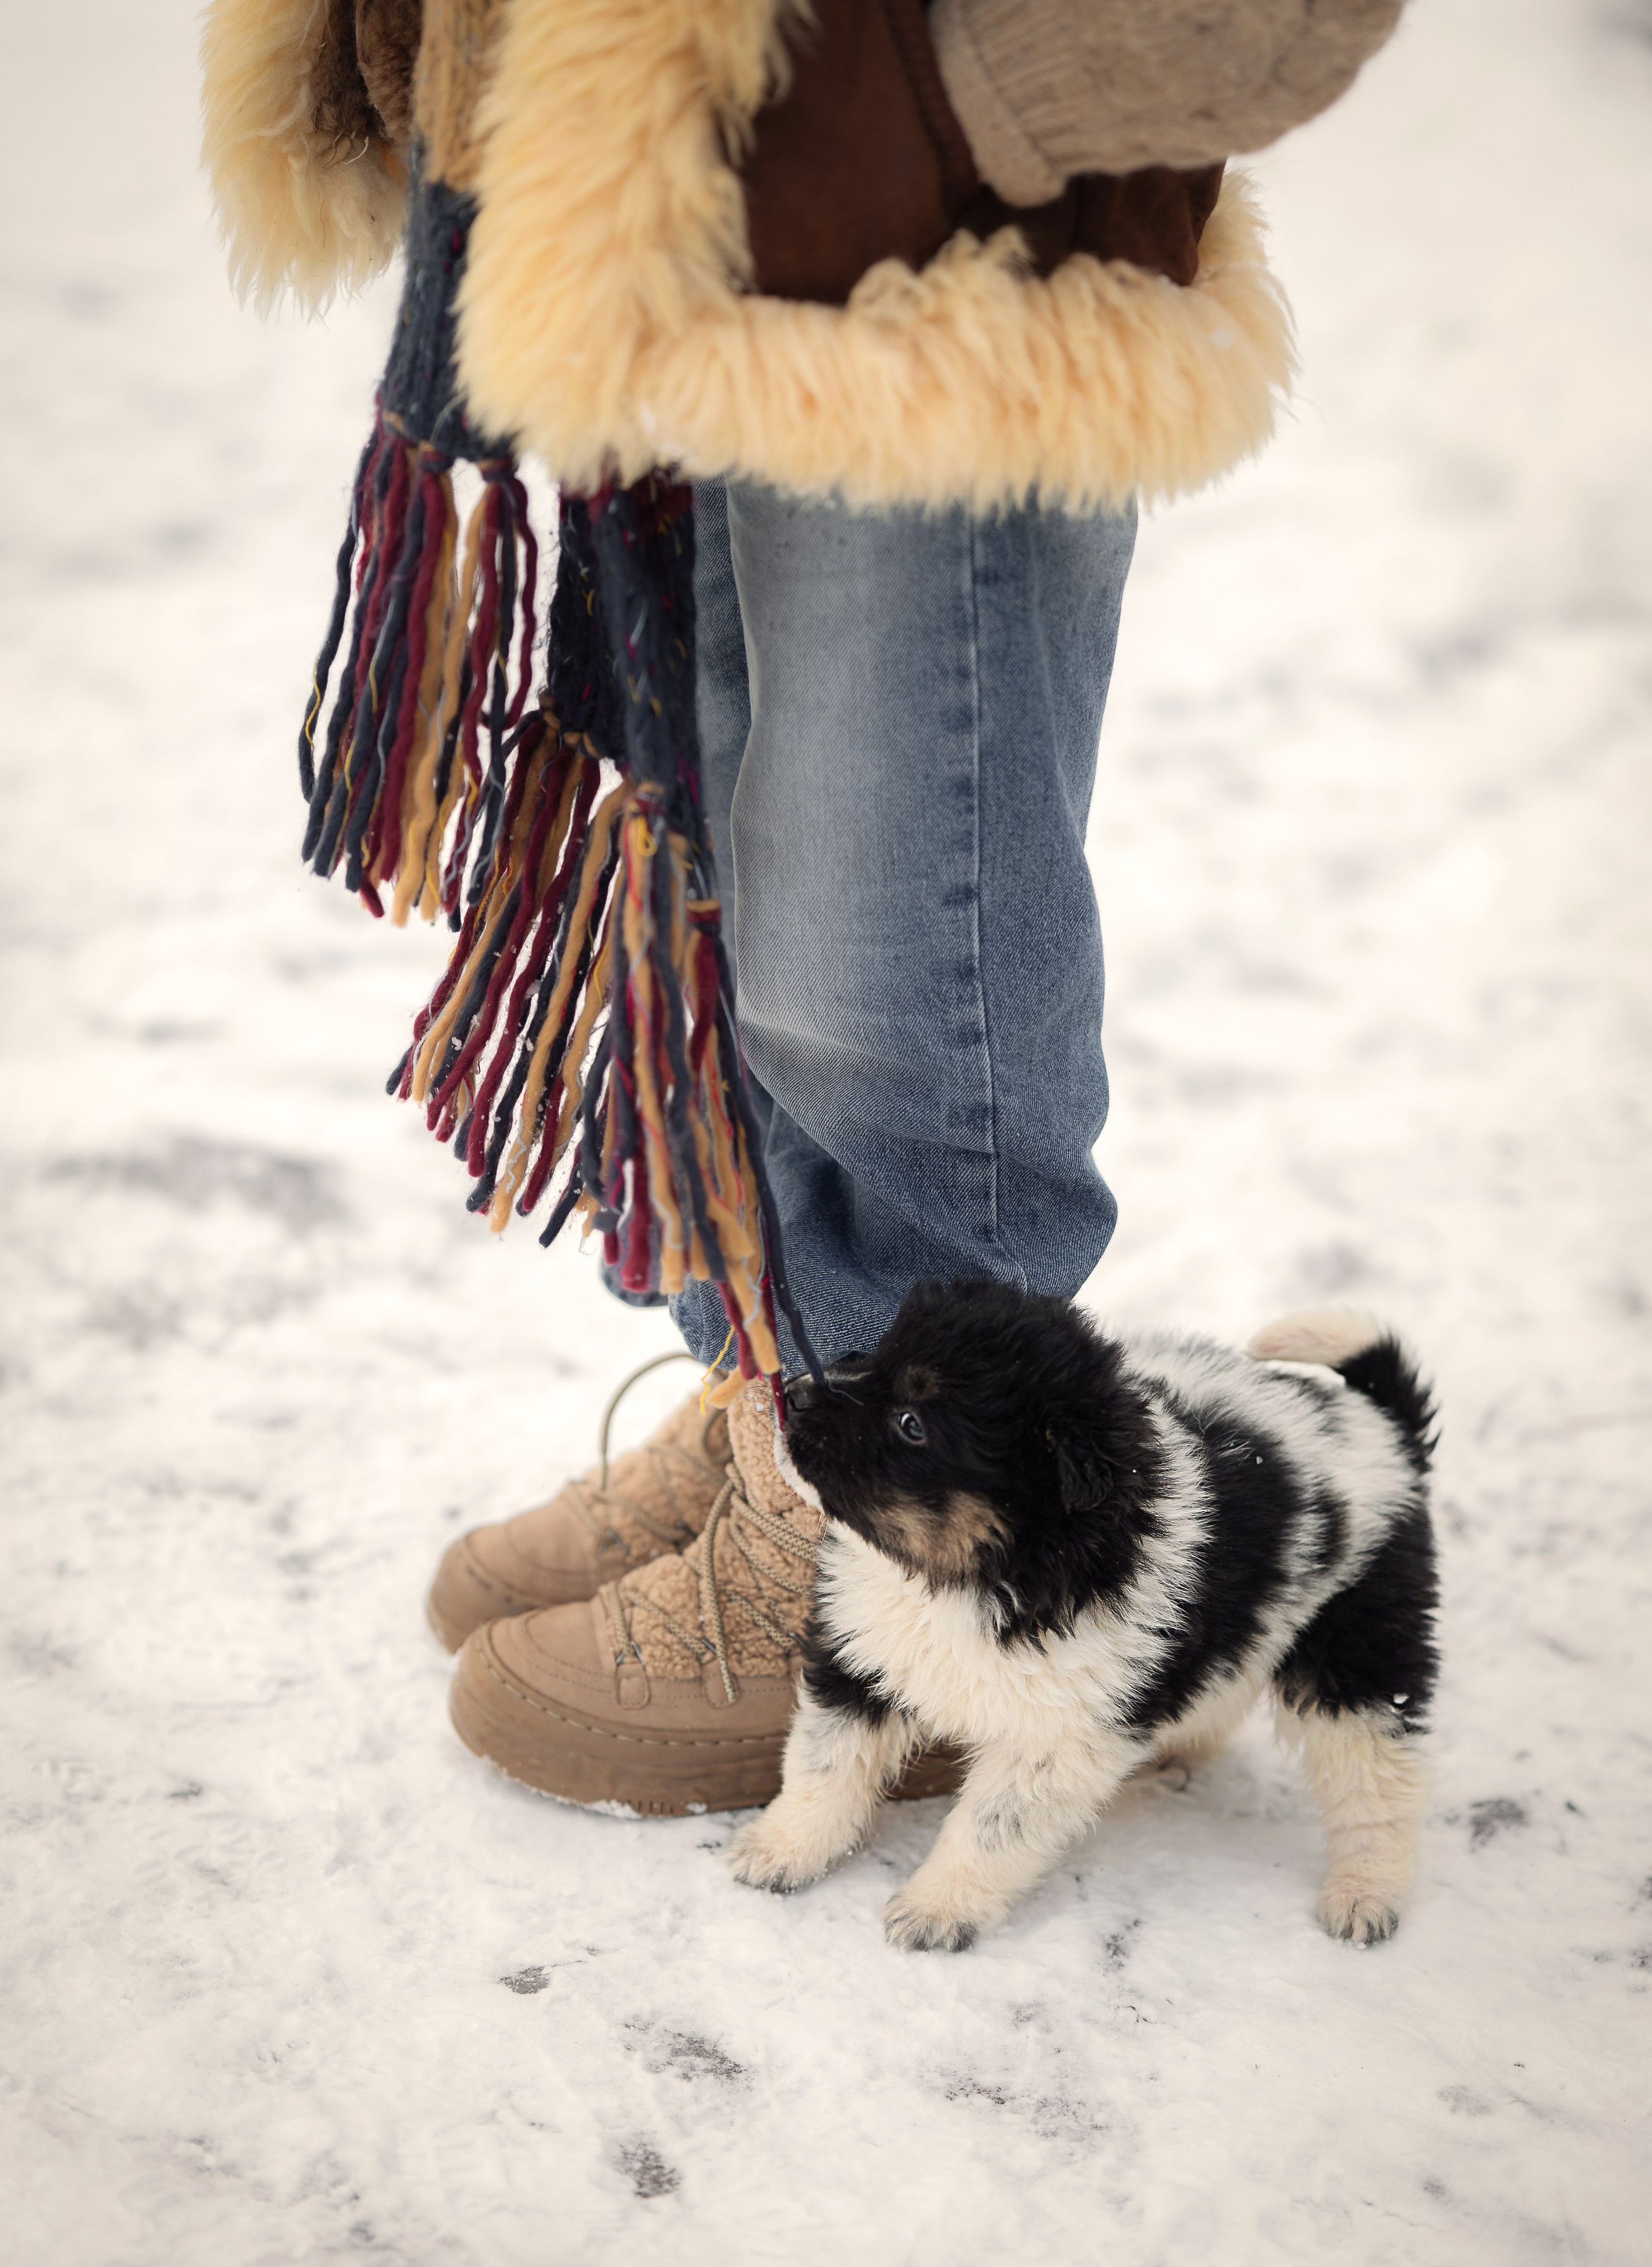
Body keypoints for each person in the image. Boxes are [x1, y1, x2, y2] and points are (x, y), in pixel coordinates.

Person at [205, 0, 1406, 1814]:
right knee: (751, 864)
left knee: (885, 900)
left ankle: (958, 1538)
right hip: (718, 155)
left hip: (936, 205)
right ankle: (796, 1384)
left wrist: (967, 93)